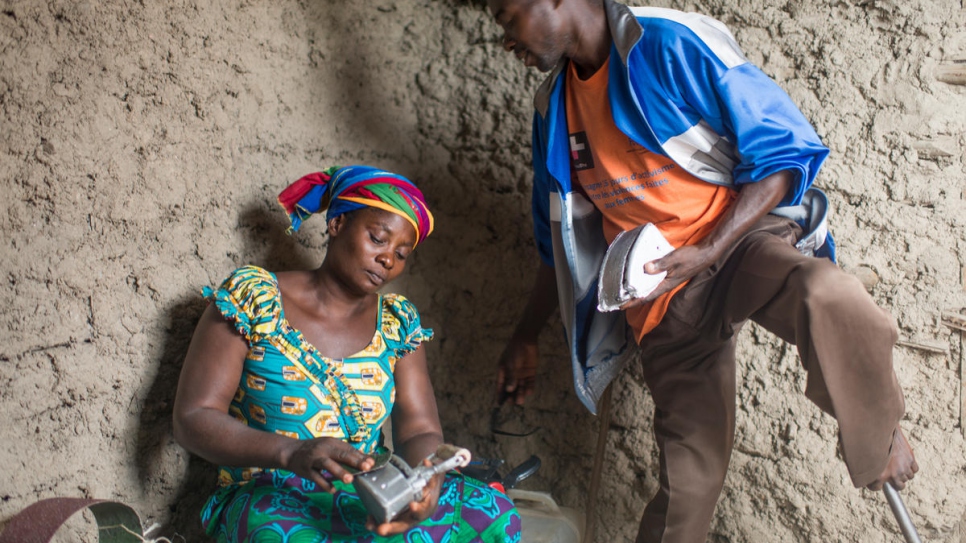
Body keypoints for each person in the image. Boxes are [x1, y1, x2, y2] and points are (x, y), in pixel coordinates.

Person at [484, 0, 919, 541]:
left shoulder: (668, 42)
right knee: (689, 487)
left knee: (826, 293)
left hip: (737, 249)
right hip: (664, 298)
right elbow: (558, 244)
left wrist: (711, 247)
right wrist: (527, 334)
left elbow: (784, 155)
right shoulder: (553, 108)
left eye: (506, 18)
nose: (505, 39)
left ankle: (880, 439)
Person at [173, 165, 520, 542]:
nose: (388, 259)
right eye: (378, 238)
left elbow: (420, 429)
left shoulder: (397, 324)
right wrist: (291, 453)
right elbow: (193, 418)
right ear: (337, 224)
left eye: (402, 253)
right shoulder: (255, 298)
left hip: (369, 493)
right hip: (271, 493)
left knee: (494, 514)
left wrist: (425, 479)